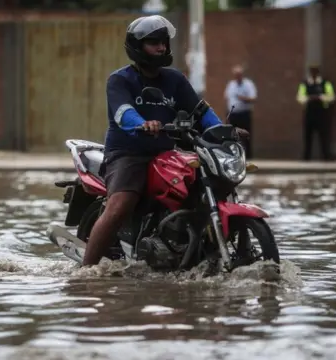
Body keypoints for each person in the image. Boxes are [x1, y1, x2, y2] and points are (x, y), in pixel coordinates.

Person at [82, 15, 247, 266]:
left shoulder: (175, 79)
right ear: (137, 47)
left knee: (200, 186)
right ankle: (87, 270)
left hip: (166, 153)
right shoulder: (120, 79)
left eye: (163, 42)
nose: (161, 47)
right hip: (128, 153)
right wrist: (141, 124)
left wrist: (223, 130)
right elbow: (122, 112)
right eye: (153, 43)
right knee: (120, 205)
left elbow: (200, 111)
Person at [296, 65, 335, 161]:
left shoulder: (325, 83)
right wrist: (308, 98)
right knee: (308, 135)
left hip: (322, 112)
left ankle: (326, 155)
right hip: (309, 111)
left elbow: (331, 97)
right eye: (312, 71)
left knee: (324, 135)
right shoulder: (305, 84)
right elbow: (300, 97)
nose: (313, 73)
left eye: (315, 71)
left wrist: (320, 97)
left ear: (318, 72)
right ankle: (306, 156)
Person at [224, 65, 257, 158]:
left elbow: (253, 98)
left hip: (244, 113)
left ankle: (248, 156)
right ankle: (234, 155)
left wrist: (243, 98)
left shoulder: (248, 84)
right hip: (233, 114)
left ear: (242, 75)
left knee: (246, 135)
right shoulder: (231, 84)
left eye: (239, 74)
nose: (237, 76)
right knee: (232, 135)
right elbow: (227, 98)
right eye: (235, 75)